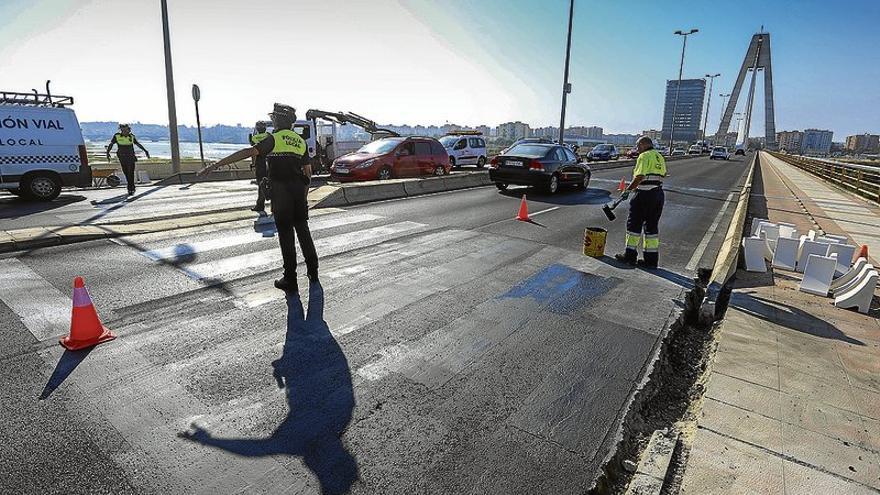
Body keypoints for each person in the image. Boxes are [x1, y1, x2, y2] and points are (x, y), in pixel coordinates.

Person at [198, 103, 318, 292]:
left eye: (274, 119)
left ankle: (290, 279)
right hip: (298, 191)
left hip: (281, 192)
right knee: (303, 232)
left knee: (286, 236)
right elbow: (308, 172)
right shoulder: (300, 141)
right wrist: (303, 196)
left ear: (277, 121)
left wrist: (215, 165)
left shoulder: (274, 139)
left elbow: (248, 152)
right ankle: (313, 271)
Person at [614, 136, 667, 269]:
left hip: (644, 194)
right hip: (658, 195)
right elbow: (663, 174)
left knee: (634, 225)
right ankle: (651, 261)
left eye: (638, 146)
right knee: (651, 227)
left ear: (643, 145)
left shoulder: (644, 156)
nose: (637, 149)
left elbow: (639, 176)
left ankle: (630, 256)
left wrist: (627, 190)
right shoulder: (659, 156)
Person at [106, 124, 150, 196]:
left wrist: (145, 151)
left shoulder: (131, 136)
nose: (126, 131)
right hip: (122, 157)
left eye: (127, 130)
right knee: (126, 172)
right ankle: (131, 186)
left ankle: (130, 188)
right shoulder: (117, 136)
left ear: (129, 129)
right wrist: (107, 152)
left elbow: (137, 144)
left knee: (131, 172)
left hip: (131, 156)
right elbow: (111, 144)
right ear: (121, 130)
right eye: (124, 130)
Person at [250, 121, 271, 212]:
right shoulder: (270, 136)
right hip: (271, 162)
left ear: (257, 129)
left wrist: (253, 164)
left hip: (260, 163)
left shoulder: (254, 138)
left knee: (261, 184)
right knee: (273, 183)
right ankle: (274, 205)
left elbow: (253, 153)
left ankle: (260, 205)